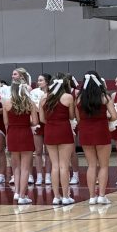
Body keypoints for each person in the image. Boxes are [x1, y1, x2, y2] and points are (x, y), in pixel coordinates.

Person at [76, 71, 117, 205]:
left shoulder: (79, 98)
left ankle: (92, 197)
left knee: (91, 165)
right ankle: (102, 196)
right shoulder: (105, 97)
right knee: (104, 166)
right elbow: (114, 116)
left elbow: (78, 118)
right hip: (101, 131)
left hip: (86, 133)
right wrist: (104, 117)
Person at [40, 74, 76, 205]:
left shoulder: (44, 98)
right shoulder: (68, 97)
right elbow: (72, 116)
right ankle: (66, 196)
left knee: (54, 165)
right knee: (64, 165)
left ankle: (56, 197)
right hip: (64, 131)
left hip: (49, 131)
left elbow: (42, 119)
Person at [4, 79, 38, 205]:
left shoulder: (6, 103)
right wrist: (25, 122)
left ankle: (17, 193)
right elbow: (35, 122)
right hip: (25, 134)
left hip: (12, 134)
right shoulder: (29, 102)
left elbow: (6, 123)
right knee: (25, 169)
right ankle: (23, 196)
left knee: (16, 167)